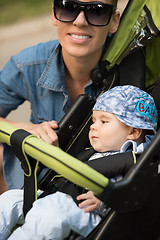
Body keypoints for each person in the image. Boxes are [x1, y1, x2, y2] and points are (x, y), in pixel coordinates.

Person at [0, 85, 158, 240]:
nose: (93, 127)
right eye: (93, 120)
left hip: (89, 216)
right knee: (9, 199)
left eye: (104, 122)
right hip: (61, 197)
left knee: (49, 214)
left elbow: (134, 196)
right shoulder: (93, 152)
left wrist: (104, 200)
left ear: (133, 132)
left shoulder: (140, 161)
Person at [0, 0, 120, 191]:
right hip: (37, 184)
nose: (80, 21)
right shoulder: (27, 64)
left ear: (114, 21)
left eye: (97, 11)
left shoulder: (132, 69)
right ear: (54, 13)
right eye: (68, 7)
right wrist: (25, 129)